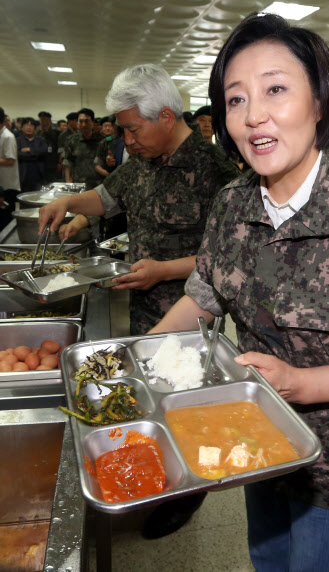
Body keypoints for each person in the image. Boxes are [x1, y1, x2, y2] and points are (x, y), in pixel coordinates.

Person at [147, 12, 329, 572]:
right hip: (252, 440)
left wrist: (299, 385)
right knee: (267, 559)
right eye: (235, 100)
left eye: (276, 89)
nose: (254, 115)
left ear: (321, 103)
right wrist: (133, 360)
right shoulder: (232, 204)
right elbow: (204, 296)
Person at [39, 62, 240, 538]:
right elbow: (106, 198)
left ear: (166, 116)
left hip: (191, 321)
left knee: (186, 409)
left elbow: (229, 258)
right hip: (141, 313)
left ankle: (186, 497)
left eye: (132, 128)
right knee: (148, 405)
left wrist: (163, 271)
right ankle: (153, 475)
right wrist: (70, 204)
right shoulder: (142, 163)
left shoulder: (217, 174)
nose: (126, 140)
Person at [62, 108, 103, 189]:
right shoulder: (71, 140)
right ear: (77, 123)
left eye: (87, 121)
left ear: (92, 122)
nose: (83, 125)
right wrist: (68, 181)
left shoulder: (102, 140)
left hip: (99, 184)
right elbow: (67, 162)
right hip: (79, 184)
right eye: (80, 121)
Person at [16, 117, 47, 191]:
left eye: (31, 125)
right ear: (22, 127)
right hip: (23, 176)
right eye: (26, 125)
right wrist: (35, 154)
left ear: (35, 128)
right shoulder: (18, 140)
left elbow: (43, 151)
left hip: (39, 176)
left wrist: (29, 150)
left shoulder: (40, 140)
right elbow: (18, 154)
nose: (29, 127)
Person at [0, 107, 21, 200]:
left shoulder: (8, 136)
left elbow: (10, 161)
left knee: (6, 213)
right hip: (2, 184)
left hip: (8, 185)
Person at [38, 111, 60, 183]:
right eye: (41, 119)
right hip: (41, 162)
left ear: (49, 120)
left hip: (53, 163)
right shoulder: (37, 133)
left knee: (53, 183)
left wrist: (59, 163)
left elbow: (59, 148)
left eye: (44, 119)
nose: (42, 121)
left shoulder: (57, 133)